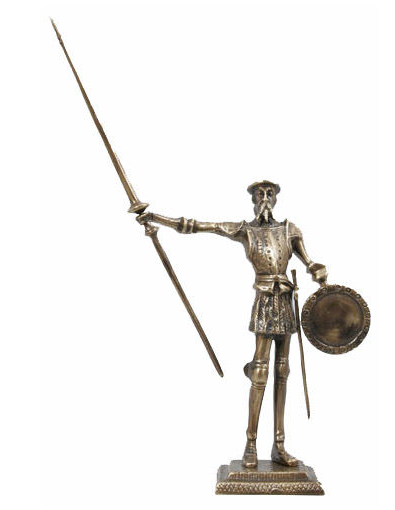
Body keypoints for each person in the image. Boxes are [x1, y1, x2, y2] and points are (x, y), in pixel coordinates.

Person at [138, 180, 327, 468]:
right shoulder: (244, 230)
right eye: (260, 194)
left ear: (276, 199)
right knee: (261, 372)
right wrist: (156, 218)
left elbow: (309, 262)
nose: (265, 198)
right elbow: (198, 226)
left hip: (285, 300)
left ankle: (279, 445)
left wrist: (316, 270)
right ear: (253, 200)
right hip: (265, 300)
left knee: (282, 371)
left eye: (270, 193)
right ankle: (251, 443)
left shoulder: (290, 230)